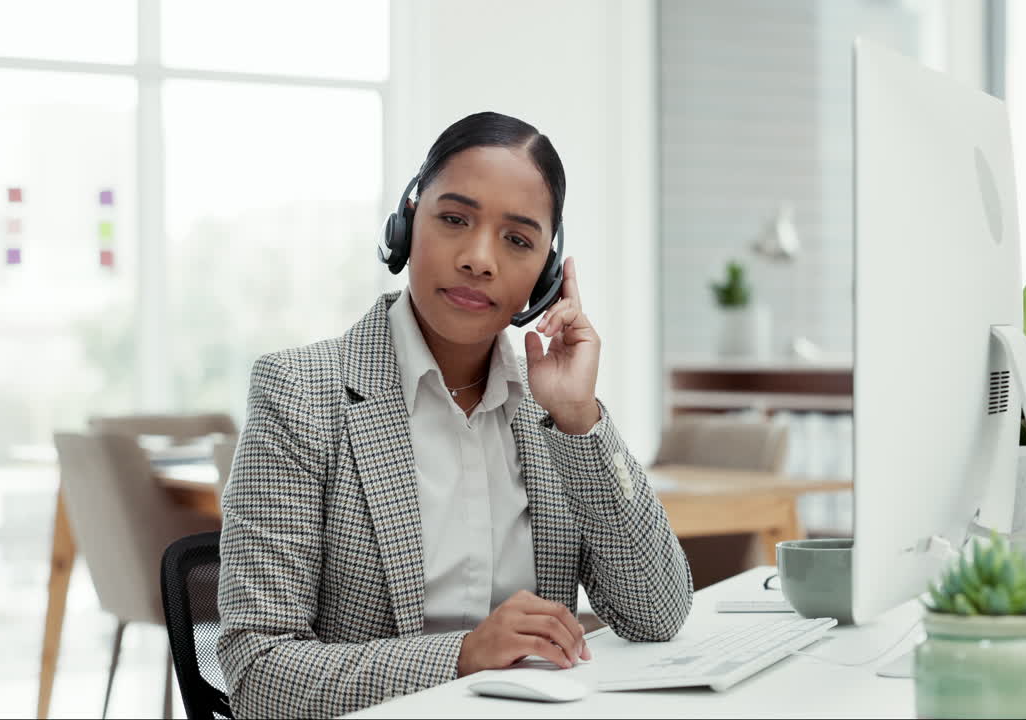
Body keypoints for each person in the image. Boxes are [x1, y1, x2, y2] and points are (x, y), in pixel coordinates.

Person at [217, 111, 692, 718]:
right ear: (407, 225)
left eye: (517, 239)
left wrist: (579, 418)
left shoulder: (548, 412)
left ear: (547, 276)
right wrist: (463, 655)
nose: (479, 258)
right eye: (453, 219)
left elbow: (657, 613)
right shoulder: (300, 394)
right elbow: (256, 671)